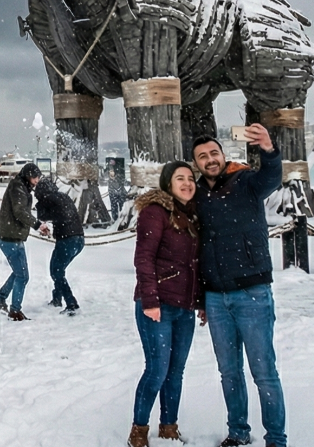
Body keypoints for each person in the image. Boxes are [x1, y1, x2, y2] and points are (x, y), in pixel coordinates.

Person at [192, 126, 287, 447]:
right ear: (197, 163)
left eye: (213, 153)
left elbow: (272, 177)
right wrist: (201, 297)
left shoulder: (245, 182)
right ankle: (238, 432)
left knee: (264, 373)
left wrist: (268, 150)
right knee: (229, 373)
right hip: (216, 297)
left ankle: (275, 438)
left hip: (253, 291)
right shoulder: (198, 197)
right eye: (203, 157)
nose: (210, 160)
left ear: (223, 155)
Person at [127, 161, 202, 447]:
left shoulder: (193, 215)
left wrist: (201, 302)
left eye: (190, 179)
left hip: (185, 307)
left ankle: (169, 427)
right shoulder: (155, 212)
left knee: (176, 370)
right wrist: (150, 300)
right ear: (168, 184)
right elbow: (143, 258)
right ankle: (139, 430)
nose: (187, 183)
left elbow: (197, 264)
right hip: (157, 305)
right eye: (180, 178)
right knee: (157, 368)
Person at [0, 163, 47, 320]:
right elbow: (19, 211)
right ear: (28, 176)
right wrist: (37, 224)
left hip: (11, 235)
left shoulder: (19, 186)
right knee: (22, 275)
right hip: (10, 237)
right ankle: (14, 310)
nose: (37, 180)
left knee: (19, 273)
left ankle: (1, 297)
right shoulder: (18, 187)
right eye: (35, 177)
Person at [34, 176, 84, 315]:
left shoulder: (48, 199)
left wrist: (39, 205)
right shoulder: (63, 196)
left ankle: (71, 303)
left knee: (56, 271)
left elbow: (43, 216)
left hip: (67, 239)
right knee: (58, 270)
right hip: (79, 238)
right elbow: (61, 214)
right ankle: (57, 298)